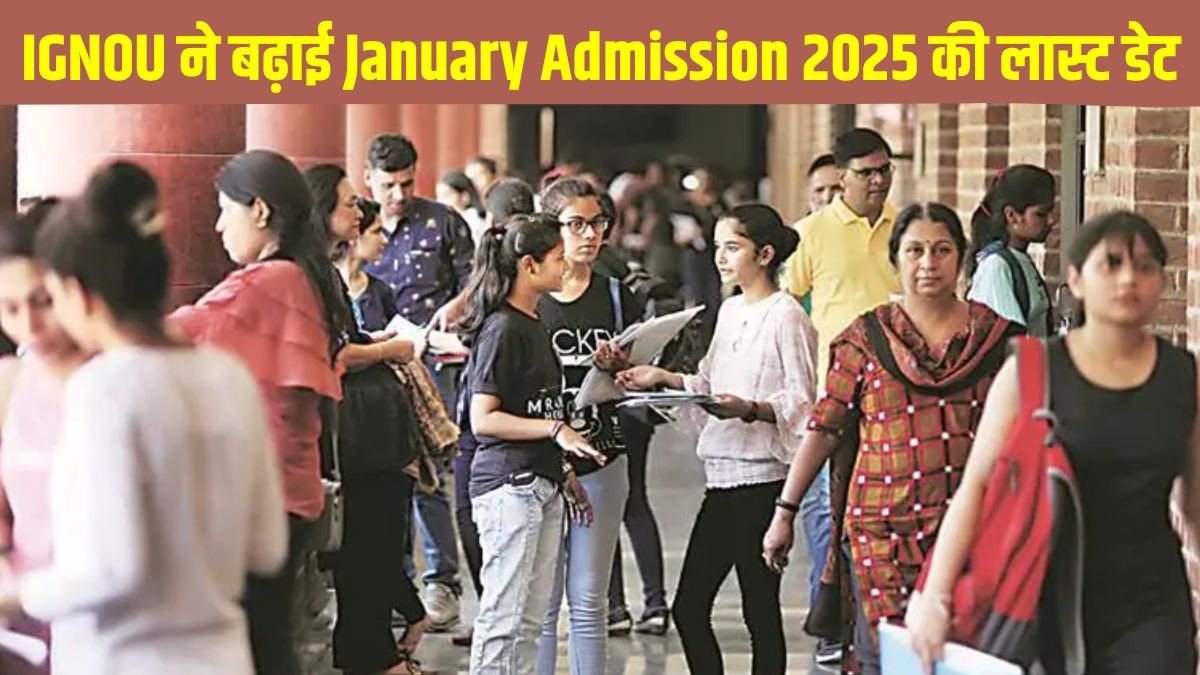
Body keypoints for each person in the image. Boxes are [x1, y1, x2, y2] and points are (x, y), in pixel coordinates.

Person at [0, 182, 287, 674]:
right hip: (221, 656)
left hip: (115, 655)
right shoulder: (227, 376)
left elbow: (113, 570)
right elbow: (266, 549)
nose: (30, 323)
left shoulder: (103, 389)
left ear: (76, 291)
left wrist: (17, 594)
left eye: (46, 298)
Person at [907, 211, 1198, 675]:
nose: (1129, 279)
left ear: (1161, 282)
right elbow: (976, 486)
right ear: (1076, 280)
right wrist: (935, 595)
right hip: (1043, 598)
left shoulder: (1182, 376)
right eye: (1111, 264)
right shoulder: (1032, 371)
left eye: (1145, 266)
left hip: (1152, 606)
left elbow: (1193, 503)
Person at [762, 202, 1021, 675]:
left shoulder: (996, 342)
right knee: (890, 661)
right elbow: (825, 428)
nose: (928, 263)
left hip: (972, 532)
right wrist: (785, 512)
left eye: (942, 250)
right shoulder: (866, 339)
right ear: (895, 259)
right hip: (881, 538)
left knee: (959, 660)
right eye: (915, 250)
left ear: (961, 257)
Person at [617, 204, 818, 675]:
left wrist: (749, 408)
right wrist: (662, 378)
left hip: (763, 483)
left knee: (760, 613)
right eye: (719, 247)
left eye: (733, 247)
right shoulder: (729, 309)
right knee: (690, 610)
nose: (720, 257)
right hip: (721, 479)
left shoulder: (786, 315)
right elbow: (708, 383)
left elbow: (803, 403)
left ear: (764, 254)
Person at [170, 150, 346, 675]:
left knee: (256, 645)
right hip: (288, 492)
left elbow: (181, 332)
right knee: (268, 639)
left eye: (226, 209)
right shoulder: (301, 277)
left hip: (264, 494)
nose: (218, 225)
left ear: (261, 211)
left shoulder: (268, 282)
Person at [460, 213, 605, 674]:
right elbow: (483, 418)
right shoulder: (503, 328)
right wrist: (555, 431)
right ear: (529, 265)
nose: (566, 266)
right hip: (510, 484)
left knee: (530, 619)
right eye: (558, 258)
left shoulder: (534, 321)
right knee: (504, 618)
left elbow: (536, 404)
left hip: (541, 481)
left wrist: (563, 471)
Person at [781, 130, 903, 664]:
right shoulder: (811, 233)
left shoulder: (904, 229)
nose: (877, 181)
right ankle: (831, 628)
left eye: (884, 170)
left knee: (882, 518)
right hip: (835, 399)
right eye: (865, 172)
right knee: (829, 520)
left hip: (896, 399)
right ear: (843, 176)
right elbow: (785, 308)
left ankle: (877, 628)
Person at [307, 164, 429, 675]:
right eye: (349, 202)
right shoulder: (310, 273)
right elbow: (335, 354)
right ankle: (376, 659)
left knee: (374, 553)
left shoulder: (326, 272)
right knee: (365, 555)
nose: (359, 210)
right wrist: (389, 350)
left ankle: (379, 653)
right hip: (354, 442)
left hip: (368, 437)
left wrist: (373, 344)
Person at [533, 177, 645, 674]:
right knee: (541, 602)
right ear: (551, 228)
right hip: (540, 461)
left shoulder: (617, 297)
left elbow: (639, 376)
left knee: (588, 599)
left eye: (597, 223)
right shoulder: (532, 297)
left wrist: (624, 367)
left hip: (602, 454)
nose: (590, 234)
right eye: (576, 224)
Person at [363, 134, 472, 628]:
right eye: (389, 185)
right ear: (369, 179)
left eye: (407, 183)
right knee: (388, 477)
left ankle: (442, 584)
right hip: (374, 367)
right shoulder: (357, 225)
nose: (398, 194)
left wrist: (458, 305)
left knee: (431, 474)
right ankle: (397, 584)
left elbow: (475, 282)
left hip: (435, 364)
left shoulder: (442, 222)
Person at [450, 176, 537, 649]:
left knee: (511, 604)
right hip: (506, 451)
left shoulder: (502, 304)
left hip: (501, 451)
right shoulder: (505, 313)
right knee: (514, 607)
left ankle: (489, 611)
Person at [0, 199, 87, 675]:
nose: (28, 326)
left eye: (41, 302)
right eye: (10, 308)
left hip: (110, 615)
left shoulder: (117, 381)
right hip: (24, 612)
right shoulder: (9, 382)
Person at [966, 164, 1059, 336]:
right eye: (1041, 214)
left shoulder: (1021, 260)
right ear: (1012, 215)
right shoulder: (996, 267)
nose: (1051, 221)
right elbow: (1010, 342)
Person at [437, 170, 488, 246]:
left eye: (447, 195)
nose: (440, 201)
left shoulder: (473, 220)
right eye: (438, 196)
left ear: (465, 197)